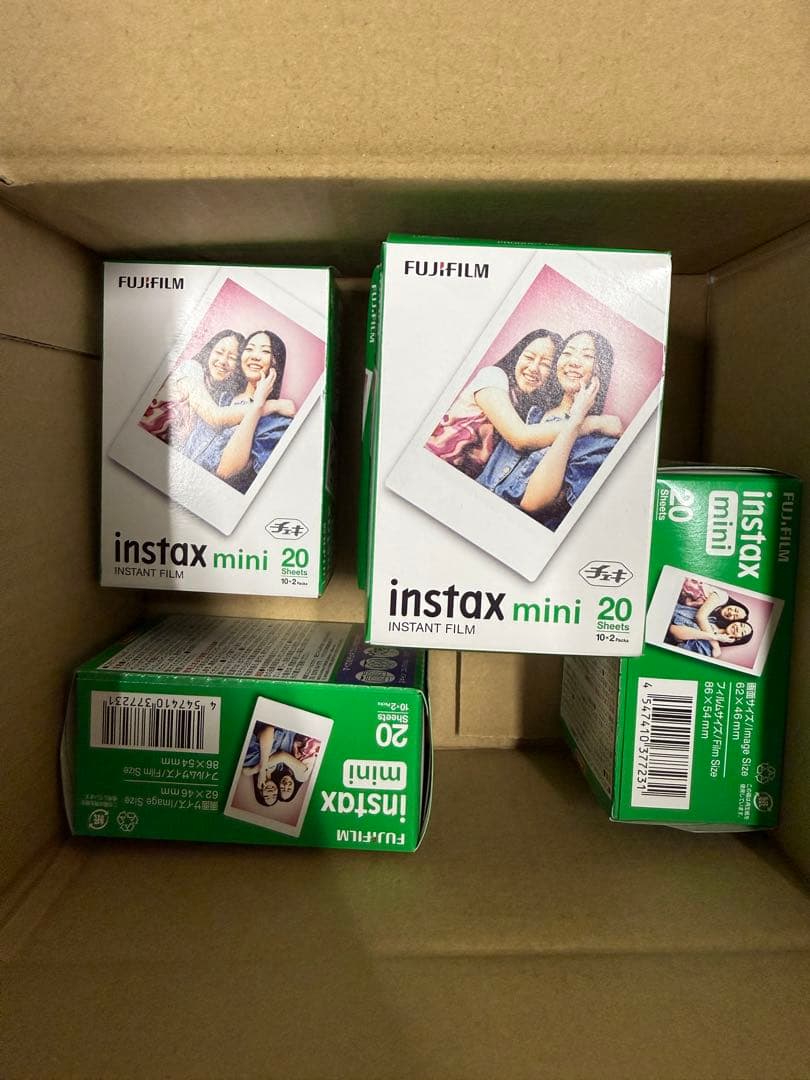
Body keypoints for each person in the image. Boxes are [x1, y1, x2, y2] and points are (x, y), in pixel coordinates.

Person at [477, 330, 623, 527]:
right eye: (567, 353)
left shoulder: (600, 444)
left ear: (601, 370)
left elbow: (532, 504)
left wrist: (575, 422)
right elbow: (520, 437)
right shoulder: (526, 410)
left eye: (587, 355)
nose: (573, 361)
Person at [426, 331, 567, 478]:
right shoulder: (493, 376)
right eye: (529, 357)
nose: (533, 368)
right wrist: (579, 426)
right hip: (431, 462)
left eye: (545, 364)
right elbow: (520, 437)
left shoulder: (530, 409)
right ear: (518, 356)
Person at [184, 329, 296, 492]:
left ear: (275, 363)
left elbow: (225, 473)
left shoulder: (276, 422)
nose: (255, 356)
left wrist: (258, 405)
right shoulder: (219, 396)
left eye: (265, 351)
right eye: (249, 349)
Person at [139, 329, 247, 445]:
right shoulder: (191, 369)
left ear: (238, 366)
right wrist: (255, 408)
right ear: (209, 352)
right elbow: (214, 417)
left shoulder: (222, 396)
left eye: (232, 358)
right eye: (219, 352)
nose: (223, 361)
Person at [241, 722, 316, 809]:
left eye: (267, 796)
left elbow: (269, 729)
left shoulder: (248, 761)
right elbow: (283, 755)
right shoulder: (281, 767)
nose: (271, 792)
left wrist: (259, 770)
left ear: (259, 791)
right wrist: (259, 769)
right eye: (274, 795)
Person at [667, 590, 754, 658]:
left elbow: (673, 629)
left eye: (742, 632)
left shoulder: (708, 649)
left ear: (738, 639)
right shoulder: (713, 618)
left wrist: (712, 638)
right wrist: (714, 638)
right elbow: (700, 616)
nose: (738, 628)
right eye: (741, 625)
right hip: (670, 604)